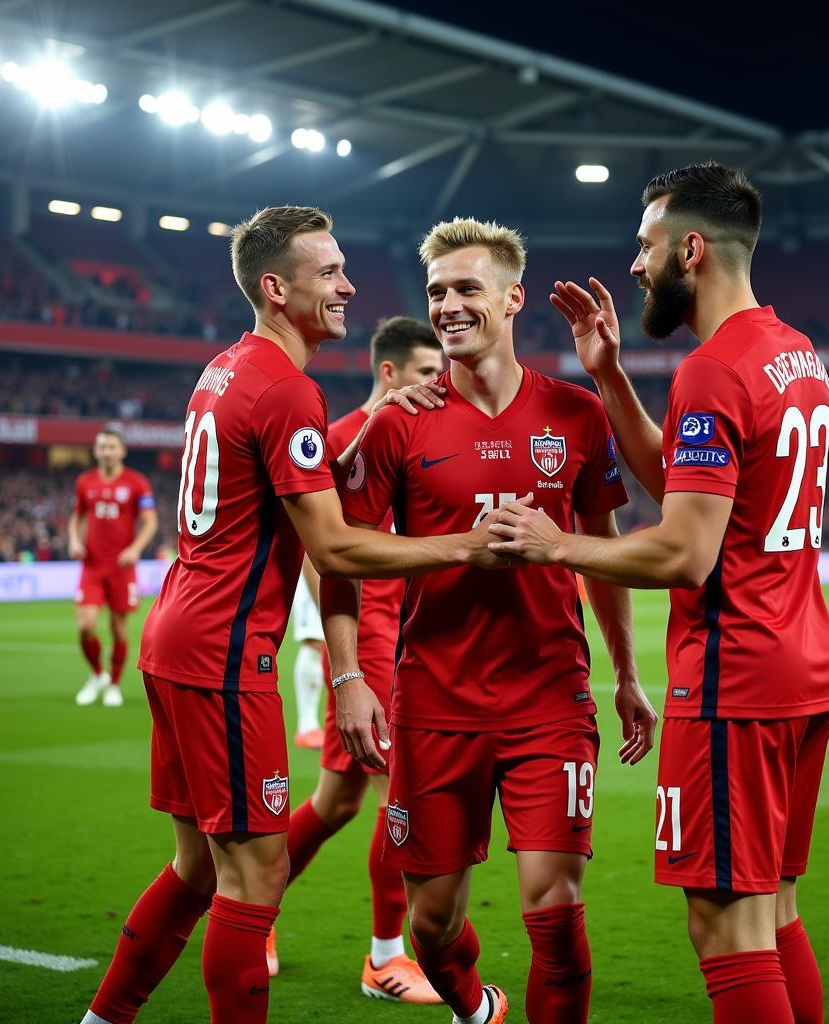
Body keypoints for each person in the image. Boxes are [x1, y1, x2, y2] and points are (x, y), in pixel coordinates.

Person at [79, 205, 504, 1024]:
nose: (349, 286)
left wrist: (372, 423)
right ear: (277, 289)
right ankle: (384, 960)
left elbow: (273, 488)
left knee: (198, 870)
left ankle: (101, 1020)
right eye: (330, 274)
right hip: (224, 653)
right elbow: (337, 548)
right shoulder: (287, 389)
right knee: (255, 880)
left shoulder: (229, 368)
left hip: (177, 633)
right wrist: (464, 547)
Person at [490, 163, 829, 1024]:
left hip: (733, 681)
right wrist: (609, 376)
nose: (637, 265)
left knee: (725, 930)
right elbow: (693, 491)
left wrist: (555, 543)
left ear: (693, 247)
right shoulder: (793, 352)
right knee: (772, 910)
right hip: (802, 668)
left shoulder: (714, 369)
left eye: (646, 246)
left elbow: (685, 553)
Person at [320, 216, 657, 1024]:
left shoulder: (576, 413)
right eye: (437, 292)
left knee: (555, 911)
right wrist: (349, 676)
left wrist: (628, 677)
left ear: (513, 298)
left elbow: (600, 551)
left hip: (550, 697)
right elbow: (339, 556)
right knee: (431, 928)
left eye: (467, 289)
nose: (448, 306)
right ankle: (474, 1007)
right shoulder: (399, 421)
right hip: (434, 703)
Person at [269, 316, 445, 1004]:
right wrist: (350, 668)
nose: (442, 384)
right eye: (428, 373)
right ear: (390, 373)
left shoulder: (425, 434)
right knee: (400, 798)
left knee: (336, 801)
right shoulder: (340, 438)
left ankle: (255, 911)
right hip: (370, 640)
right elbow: (321, 551)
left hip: (412, 638)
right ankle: (384, 958)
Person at [69, 428, 158, 708]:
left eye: (111, 446)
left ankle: (114, 684)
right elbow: (77, 516)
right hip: (92, 566)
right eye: (102, 447)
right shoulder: (85, 482)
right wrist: (74, 539)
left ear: (122, 451)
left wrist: (135, 549)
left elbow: (150, 521)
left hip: (122, 566)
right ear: (96, 451)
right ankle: (97, 674)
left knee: (119, 629)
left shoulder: (136, 482)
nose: (106, 451)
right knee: (85, 626)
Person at [289, 574, 328, 748]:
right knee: (315, 641)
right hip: (313, 570)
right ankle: (307, 726)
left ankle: (312, 726)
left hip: (336, 566)